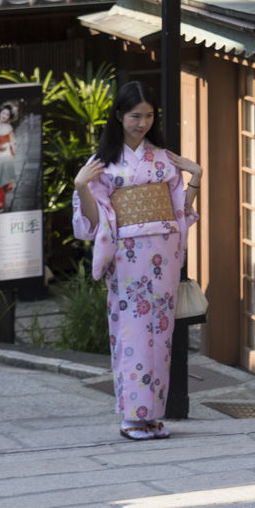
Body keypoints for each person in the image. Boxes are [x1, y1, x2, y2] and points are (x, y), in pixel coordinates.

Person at [71, 81, 202, 440]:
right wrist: (82, 186)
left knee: (160, 333)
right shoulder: (103, 165)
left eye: (148, 116)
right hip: (128, 260)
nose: (142, 122)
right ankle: (133, 416)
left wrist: (197, 177)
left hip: (164, 253)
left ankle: (152, 415)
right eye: (134, 115)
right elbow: (93, 224)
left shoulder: (162, 158)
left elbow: (181, 210)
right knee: (132, 333)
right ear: (118, 116)